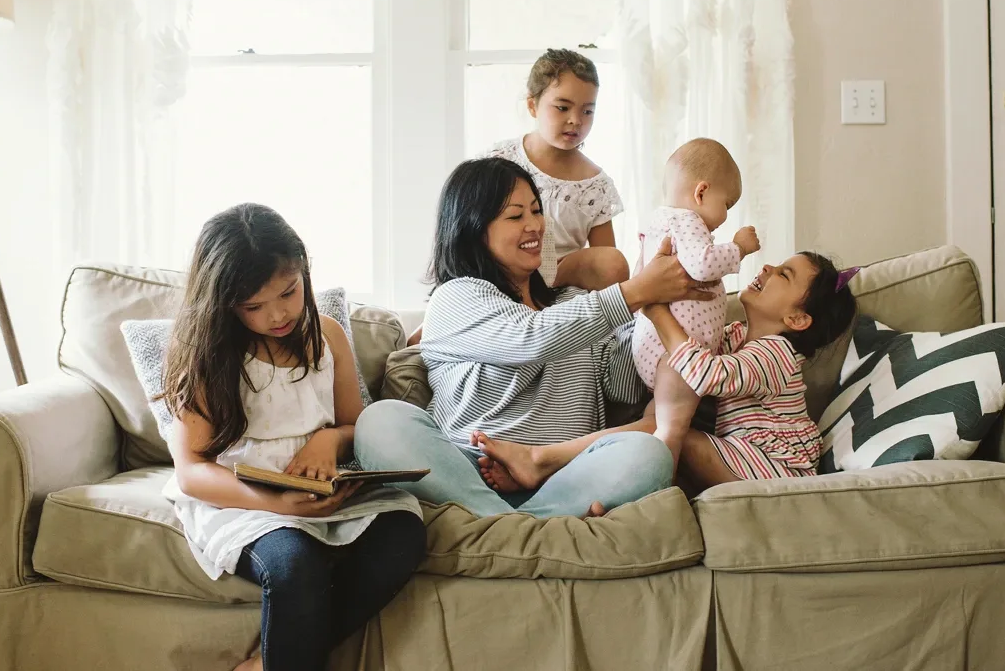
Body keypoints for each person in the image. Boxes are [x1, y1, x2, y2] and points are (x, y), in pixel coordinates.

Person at [353, 157, 714, 518]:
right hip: (466, 473)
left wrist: (657, 312)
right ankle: (514, 524)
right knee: (380, 422)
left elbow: (623, 387)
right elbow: (530, 339)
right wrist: (634, 292)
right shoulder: (456, 297)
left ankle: (504, 526)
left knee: (648, 453)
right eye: (515, 216)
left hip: (562, 480)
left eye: (537, 211)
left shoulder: (576, 302)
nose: (535, 226)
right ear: (474, 229)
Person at [160, 203, 425, 671]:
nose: (278, 314)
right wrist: (279, 505)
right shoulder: (208, 355)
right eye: (254, 307)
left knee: (403, 535)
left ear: (304, 270)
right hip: (244, 498)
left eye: (289, 292)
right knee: (294, 566)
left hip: (321, 487)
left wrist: (329, 442)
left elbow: (352, 424)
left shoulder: (328, 336)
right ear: (223, 304)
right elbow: (192, 472)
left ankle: (269, 661)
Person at [636, 254, 859, 490]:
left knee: (669, 430)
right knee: (659, 417)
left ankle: (599, 455)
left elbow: (705, 374)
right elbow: (688, 357)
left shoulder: (778, 352)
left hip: (775, 471)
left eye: (783, 274)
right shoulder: (736, 335)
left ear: (797, 319)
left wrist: (657, 312)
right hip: (740, 455)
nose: (767, 267)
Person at [632, 138, 760, 472]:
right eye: (727, 204)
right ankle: (658, 489)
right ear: (701, 192)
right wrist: (739, 248)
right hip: (675, 358)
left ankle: (625, 475)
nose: (725, 216)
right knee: (672, 432)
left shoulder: (659, 222)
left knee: (655, 424)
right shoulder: (686, 221)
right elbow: (703, 265)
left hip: (661, 353)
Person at [483, 48, 628, 291]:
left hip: (561, 284)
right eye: (562, 108)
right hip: (502, 272)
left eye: (587, 111)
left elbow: (606, 263)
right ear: (532, 105)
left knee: (613, 262)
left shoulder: (595, 184)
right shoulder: (500, 160)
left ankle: (543, 288)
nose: (576, 120)